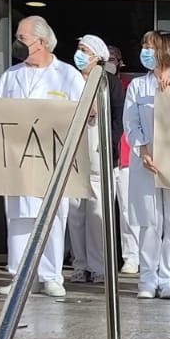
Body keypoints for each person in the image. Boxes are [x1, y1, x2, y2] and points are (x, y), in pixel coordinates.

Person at [0, 15, 79, 299]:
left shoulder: (67, 74)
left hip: (52, 157)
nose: (17, 43)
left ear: (41, 42)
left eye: (22, 38)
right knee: (18, 216)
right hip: (17, 157)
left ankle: (51, 276)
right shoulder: (10, 75)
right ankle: (19, 275)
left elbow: (83, 111)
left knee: (52, 216)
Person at [122, 30, 170, 299]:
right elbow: (131, 122)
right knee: (149, 222)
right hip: (148, 162)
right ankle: (147, 279)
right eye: (144, 45)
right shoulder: (138, 86)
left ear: (165, 50)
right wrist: (143, 150)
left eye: (150, 46)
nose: (145, 51)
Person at [65, 34, 109, 284]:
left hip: (94, 148)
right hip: (72, 149)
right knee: (74, 211)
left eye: (84, 50)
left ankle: (98, 264)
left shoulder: (102, 81)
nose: (79, 54)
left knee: (95, 211)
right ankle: (79, 264)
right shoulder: (69, 78)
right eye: (78, 49)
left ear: (96, 56)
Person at [109, 46, 139, 276]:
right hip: (103, 155)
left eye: (113, 59)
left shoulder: (129, 88)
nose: (110, 62)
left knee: (128, 211)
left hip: (126, 157)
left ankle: (132, 257)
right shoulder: (88, 86)